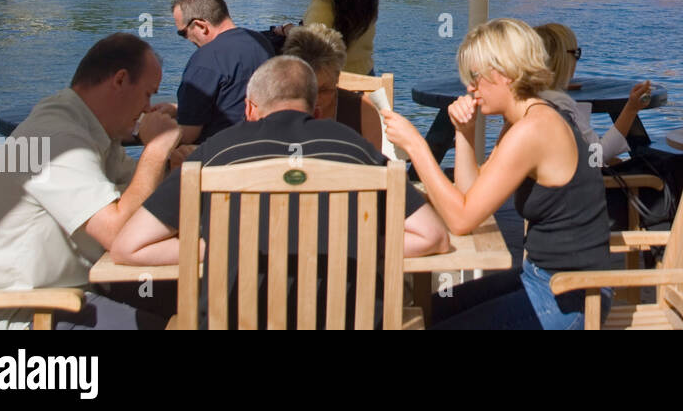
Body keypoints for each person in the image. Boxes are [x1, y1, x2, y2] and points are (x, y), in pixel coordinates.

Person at [111, 55, 448, 327]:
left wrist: (219, 245)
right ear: (316, 112)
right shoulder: (355, 149)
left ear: (249, 109)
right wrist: (350, 242)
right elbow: (432, 236)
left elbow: (129, 247)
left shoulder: (215, 153)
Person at [380, 19, 612, 330]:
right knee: (424, 312)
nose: (470, 87)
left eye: (475, 77)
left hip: (573, 298)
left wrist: (416, 146)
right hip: (539, 279)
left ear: (505, 74)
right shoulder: (525, 120)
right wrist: (463, 132)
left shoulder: (534, 129)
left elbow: (461, 220)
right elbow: (471, 196)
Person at [0, 33, 181, 329]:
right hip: (14, 314)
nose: (149, 108)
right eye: (148, 94)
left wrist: (172, 167)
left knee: (193, 301)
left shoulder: (92, 131)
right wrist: (157, 149)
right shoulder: (56, 138)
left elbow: (139, 200)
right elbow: (118, 232)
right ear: (120, 80)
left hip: (61, 295)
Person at [534, 22, 651, 165]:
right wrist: (631, 109)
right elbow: (597, 155)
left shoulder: (526, 100)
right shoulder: (559, 105)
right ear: (561, 59)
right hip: (575, 186)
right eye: (576, 53)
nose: (577, 60)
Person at [172, 0, 273, 145]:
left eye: (183, 33)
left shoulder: (204, 60)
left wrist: (150, 130)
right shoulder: (261, 43)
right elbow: (233, 103)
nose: (187, 39)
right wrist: (177, 108)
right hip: (262, 150)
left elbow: (188, 133)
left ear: (200, 26)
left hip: (220, 159)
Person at [281, 22, 384, 148]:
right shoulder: (275, 109)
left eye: (324, 90)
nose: (316, 99)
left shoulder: (363, 113)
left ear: (337, 79)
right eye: (307, 89)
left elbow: (374, 166)